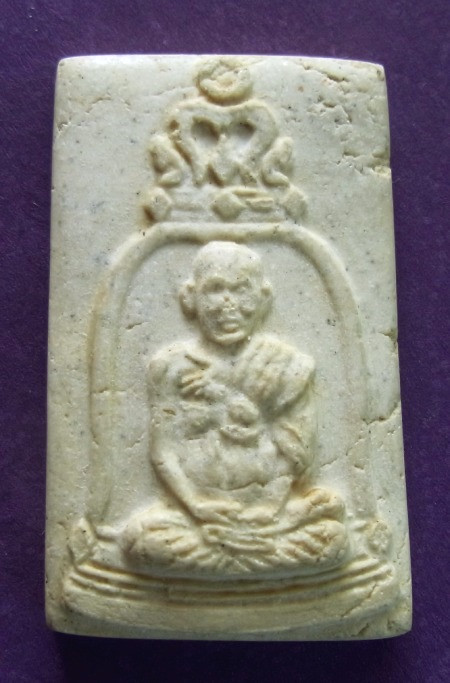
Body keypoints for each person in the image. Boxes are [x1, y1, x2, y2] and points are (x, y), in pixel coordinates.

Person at [121, 242, 348, 577]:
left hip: (269, 516)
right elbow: (163, 452)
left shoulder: (287, 366)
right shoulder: (170, 367)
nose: (228, 303)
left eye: (241, 290)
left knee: (332, 540)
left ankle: (231, 558)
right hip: (194, 517)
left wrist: (268, 511)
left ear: (263, 297)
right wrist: (197, 506)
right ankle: (251, 562)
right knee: (141, 541)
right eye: (215, 289)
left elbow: (294, 454)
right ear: (190, 297)